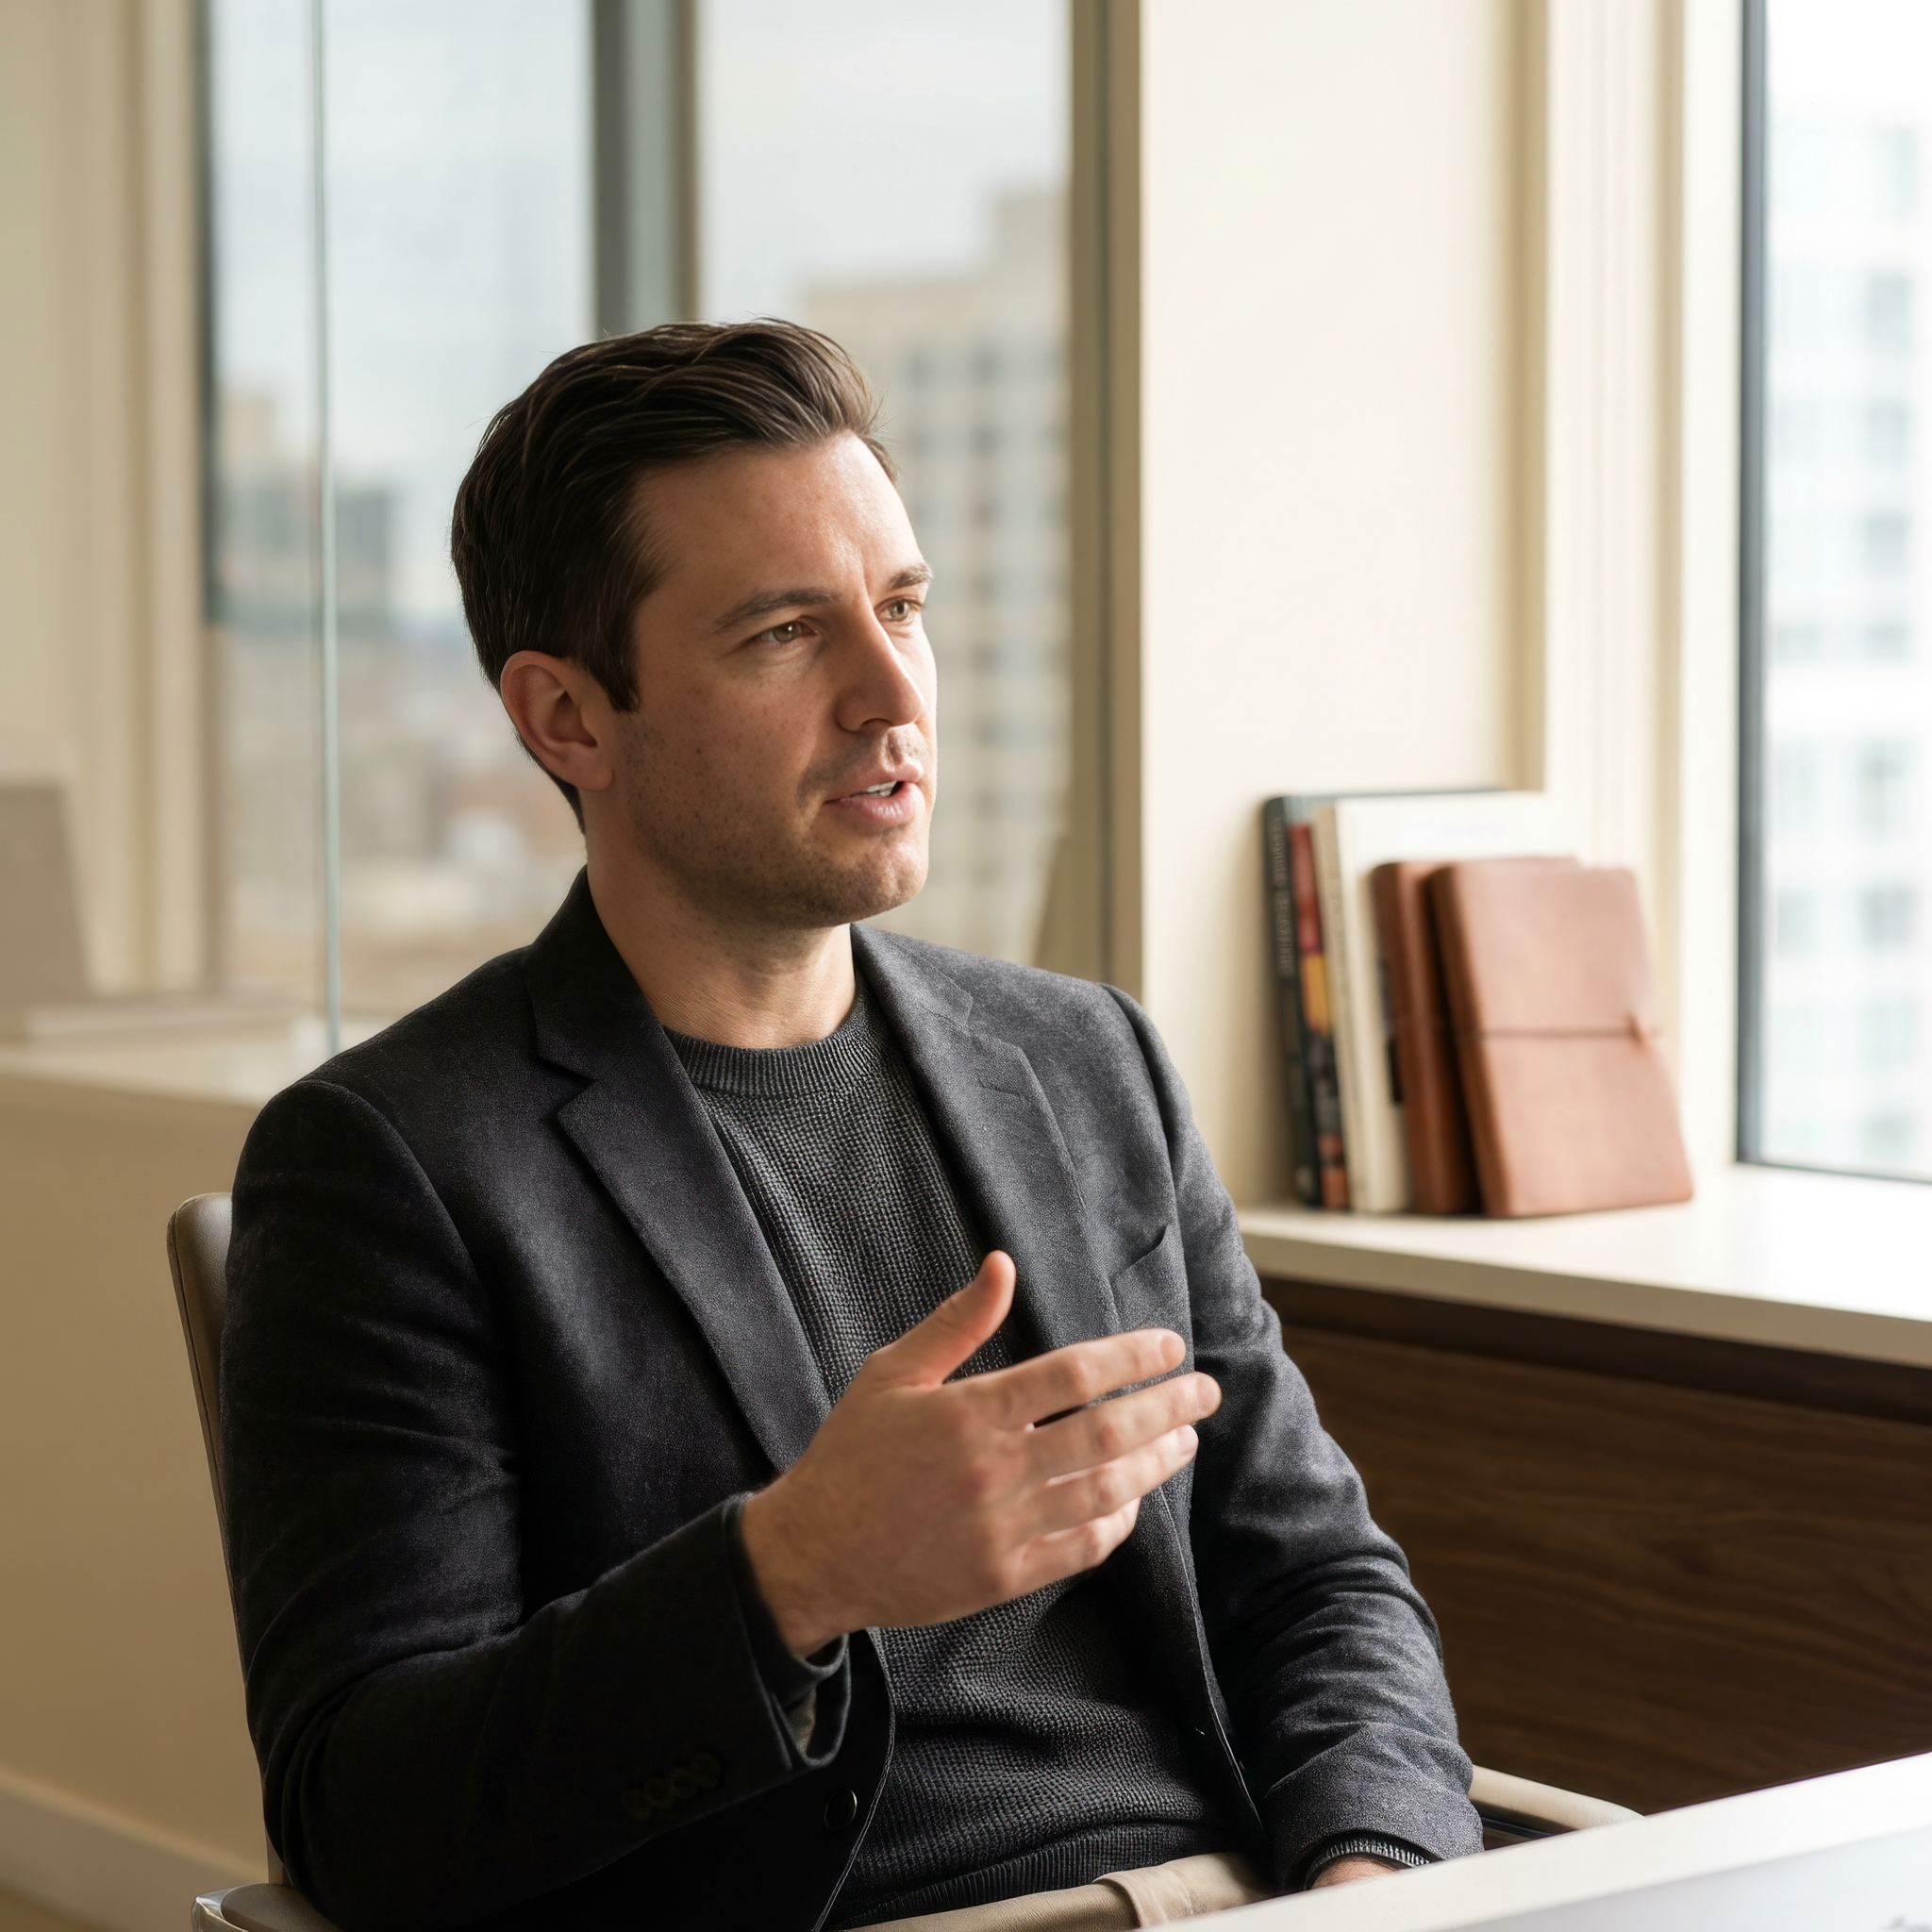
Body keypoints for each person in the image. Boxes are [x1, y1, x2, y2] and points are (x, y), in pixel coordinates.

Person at [222, 321, 1481, 1932]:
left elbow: (1313, 1579)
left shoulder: (1089, 1063)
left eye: (901, 608)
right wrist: (788, 1575)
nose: (892, 695)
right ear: (567, 719)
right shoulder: (392, 1163)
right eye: (783, 633)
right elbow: (365, 1812)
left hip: (1250, 1900)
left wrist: (1375, 1878)